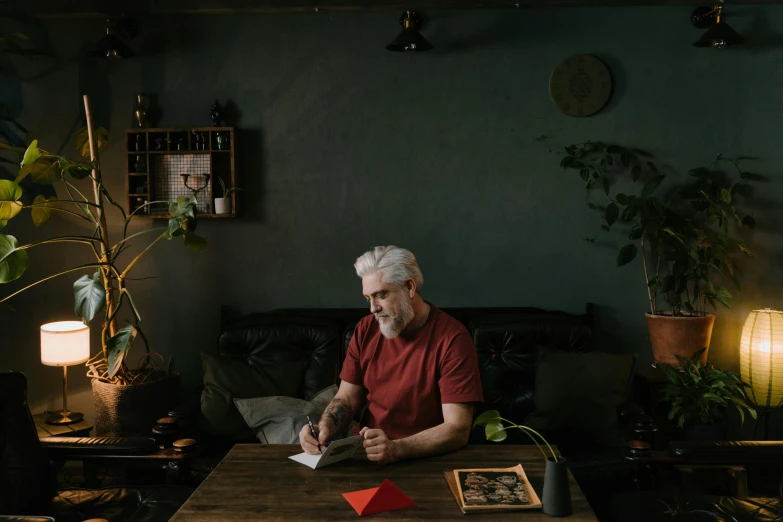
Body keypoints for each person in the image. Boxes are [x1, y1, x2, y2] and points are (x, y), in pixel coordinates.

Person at [299, 245, 483, 464]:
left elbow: (458, 429)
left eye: (381, 295)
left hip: (426, 460)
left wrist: (396, 449)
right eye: (368, 298)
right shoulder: (365, 329)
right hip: (368, 454)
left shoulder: (453, 339)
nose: (373, 308)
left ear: (410, 287)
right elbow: (347, 397)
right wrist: (326, 426)